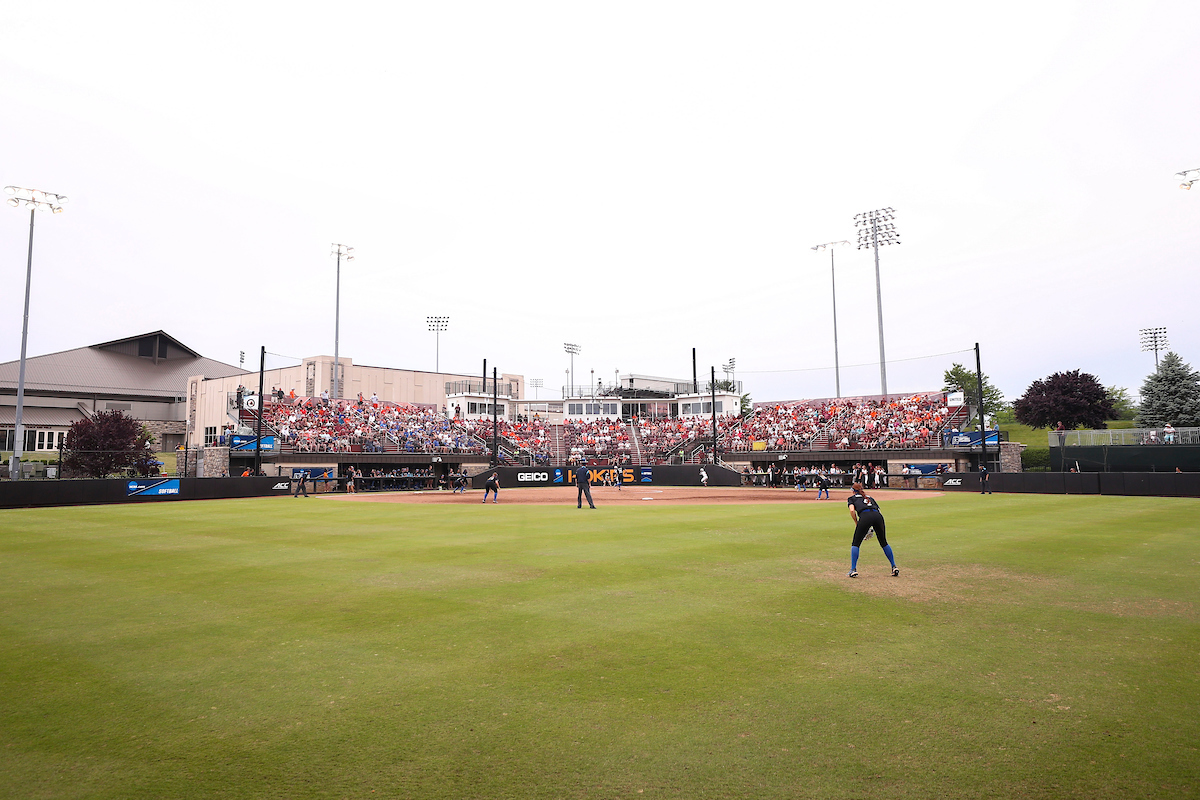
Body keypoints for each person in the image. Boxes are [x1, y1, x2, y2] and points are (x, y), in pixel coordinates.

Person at [846, 482, 898, 578]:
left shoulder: (851, 498)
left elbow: (852, 510)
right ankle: (894, 566)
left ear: (853, 491)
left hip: (865, 517)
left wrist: (857, 522)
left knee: (856, 543)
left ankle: (853, 569)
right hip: (878, 517)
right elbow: (878, 510)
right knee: (883, 542)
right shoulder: (869, 497)